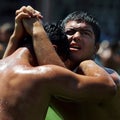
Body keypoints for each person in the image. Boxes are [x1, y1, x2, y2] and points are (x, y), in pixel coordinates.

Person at [2, 6, 118, 120]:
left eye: (85, 33)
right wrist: (16, 36)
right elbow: (6, 75)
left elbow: (109, 86)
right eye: (70, 31)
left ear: (96, 48)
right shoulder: (45, 74)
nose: (76, 36)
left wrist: (36, 28)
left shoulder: (92, 68)